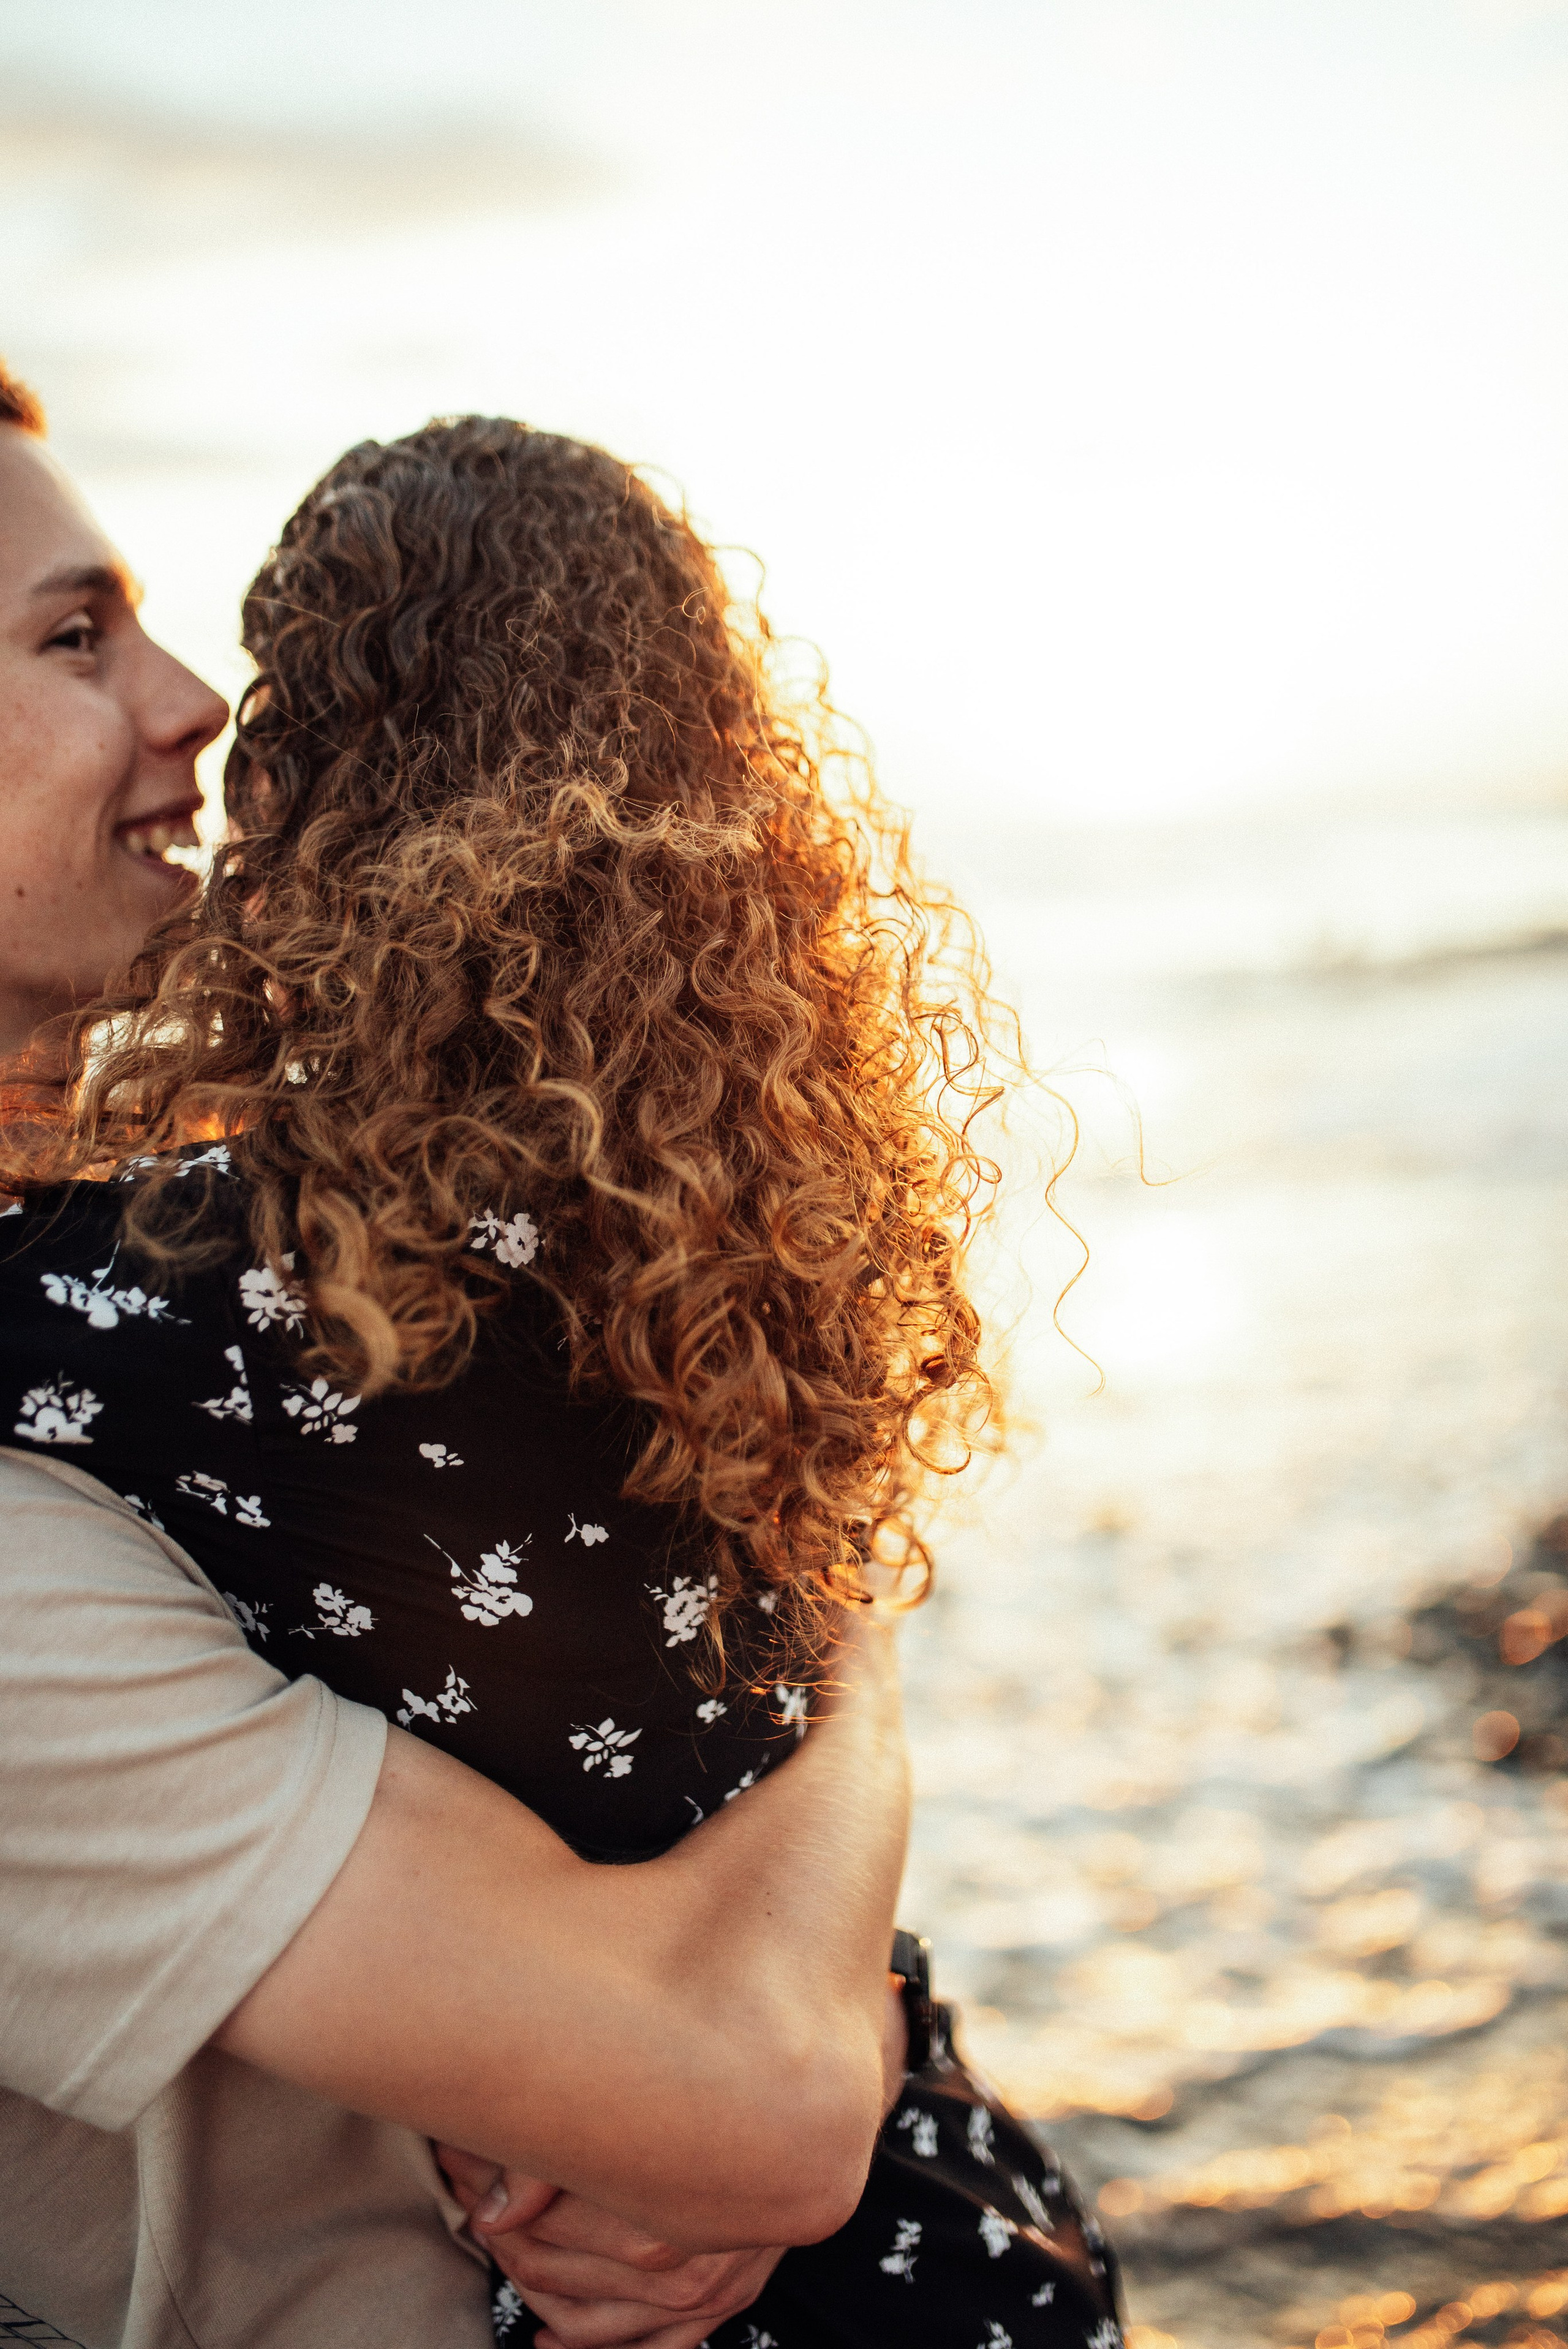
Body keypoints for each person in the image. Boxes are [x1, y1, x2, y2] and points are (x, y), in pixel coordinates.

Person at [1, 409, 1121, 2342]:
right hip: (968, 2209)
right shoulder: (678, 1199)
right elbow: (763, 2045)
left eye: (269, 701)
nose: (201, 718)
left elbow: (748, 2105)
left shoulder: (209, 1275)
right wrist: (860, 1718)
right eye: (72, 636)